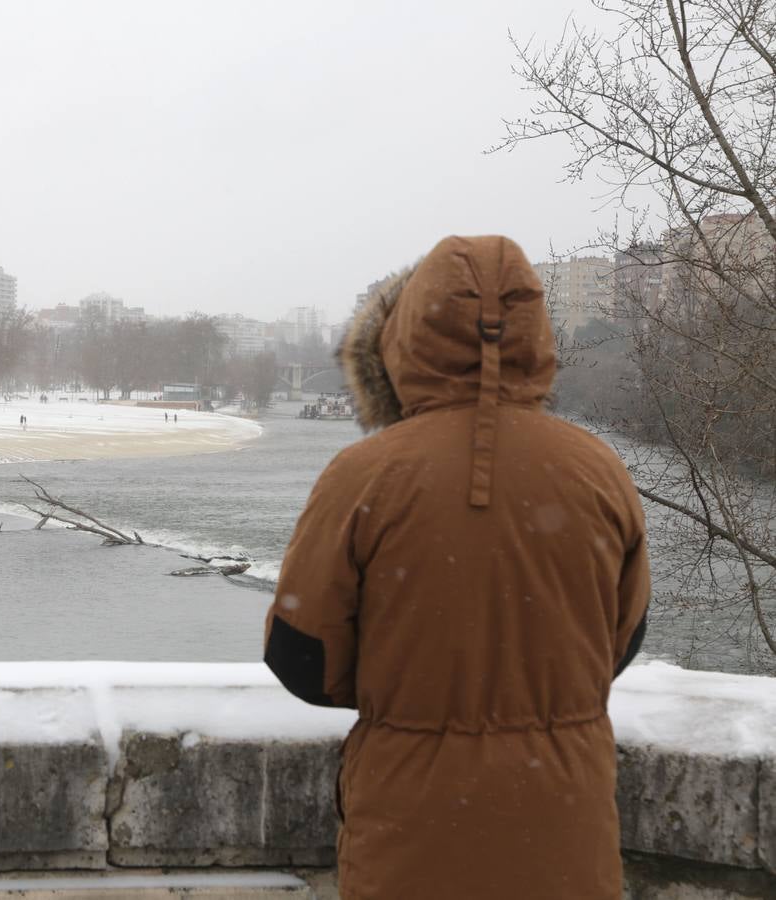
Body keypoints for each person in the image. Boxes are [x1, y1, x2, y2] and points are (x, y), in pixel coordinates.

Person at [263, 235, 649, 900]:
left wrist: (415, 685)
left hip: (411, 830)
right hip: (565, 828)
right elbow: (622, 638)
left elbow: (303, 658)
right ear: (534, 332)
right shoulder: (598, 471)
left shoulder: (365, 476)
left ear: (408, 335)